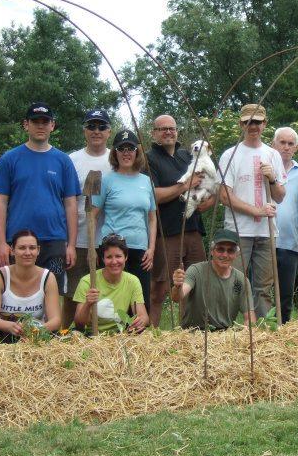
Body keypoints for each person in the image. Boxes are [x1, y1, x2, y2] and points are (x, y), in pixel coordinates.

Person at [0, 102, 80, 294]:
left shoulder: (63, 161)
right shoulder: (9, 159)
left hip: (54, 240)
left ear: (52, 125)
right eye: (35, 121)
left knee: (52, 296)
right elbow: (0, 202)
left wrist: (71, 244)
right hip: (19, 242)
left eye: (45, 122)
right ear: (26, 124)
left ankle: (51, 326)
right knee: (16, 296)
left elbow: (71, 204)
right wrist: (1, 243)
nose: (41, 126)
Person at [218, 103, 285, 318]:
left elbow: (280, 196)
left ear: (264, 124)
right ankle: (229, 329)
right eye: (248, 122)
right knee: (233, 282)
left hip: (266, 232)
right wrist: (256, 211)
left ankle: (264, 332)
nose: (252, 126)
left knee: (263, 288)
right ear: (241, 124)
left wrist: (272, 178)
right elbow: (224, 195)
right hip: (239, 231)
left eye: (257, 121)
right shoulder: (230, 154)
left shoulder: (273, 154)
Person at [147, 114, 213, 327]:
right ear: (154, 133)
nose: (168, 132)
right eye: (163, 128)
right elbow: (153, 195)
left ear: (177, 132)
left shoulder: (189, 156)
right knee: (161, 286)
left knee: (195, 283)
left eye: (172, 128)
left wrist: (208, 201)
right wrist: (184, 186)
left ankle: (189, 332)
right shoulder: (149, 159)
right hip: (167, 232)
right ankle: (152, 334)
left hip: (193, 229)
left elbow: (212, 182)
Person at [92, 129, 157, 309]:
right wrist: (92, 248)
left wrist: (151, 248)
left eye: (130, 148)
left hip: (140, 250)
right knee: (111, 301)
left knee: (140, 300)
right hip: (112, 249)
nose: (126, 152)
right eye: (122, 148)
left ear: (137, 152)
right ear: (115, 153)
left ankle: (139, 335)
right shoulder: (103, 179)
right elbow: (93, 215)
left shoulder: (146, 181)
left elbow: (152, 218)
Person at [62, 109, 112, 327]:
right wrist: (68, 242)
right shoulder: (71, 160)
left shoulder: (115, 159)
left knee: (104, 294)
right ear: (84, 130)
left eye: (101, 127)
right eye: (91, 126)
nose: (96, 131)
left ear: (109, 131)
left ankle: (99, 334)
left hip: (108, 241)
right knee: (72, 294)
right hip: (79, 238)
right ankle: (63, 334)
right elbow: (64, 199)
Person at [0, 230, 61, 343]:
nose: (27, 252)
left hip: (37, 336)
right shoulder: (0, 275)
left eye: (32, 248)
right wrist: (9, 326)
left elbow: (56, 320)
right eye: (22, 248)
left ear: (38, 250)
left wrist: (37, 331)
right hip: (5, 334)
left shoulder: (48, 277)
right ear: (12, 250)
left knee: (57, 339)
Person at [171, 229, 256, 330]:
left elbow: (249, 318)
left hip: (224, 336)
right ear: (212, 251)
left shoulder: (241, 280)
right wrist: (177, 286)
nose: (225, 255)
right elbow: (177, 297)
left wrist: (246, 334)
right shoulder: (196, 270)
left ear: (236, 254)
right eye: (220, 249)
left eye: (230, 250)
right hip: (193, 333)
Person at [73, 234, 148, 334]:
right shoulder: (87, 281)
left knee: (145, 334)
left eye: (118, 256)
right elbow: (79, 323)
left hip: (120, 334)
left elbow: (144, 317)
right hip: (91, 335)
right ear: (103, 259)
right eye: (109, 257)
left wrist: (139, 322)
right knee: (76, 334)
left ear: (126, 257)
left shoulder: (133, 281)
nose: (114, 261)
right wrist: (88, 304)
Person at [272, 127, 298, 324]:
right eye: (282, 143)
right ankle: (260, 332)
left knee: (285, 294)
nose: (286, 147)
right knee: (260, 292)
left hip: (290, 241)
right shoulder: (263, 169)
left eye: (290, 144)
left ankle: (283, 331)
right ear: (273, 145)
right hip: (262, 240)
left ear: (296, 147)